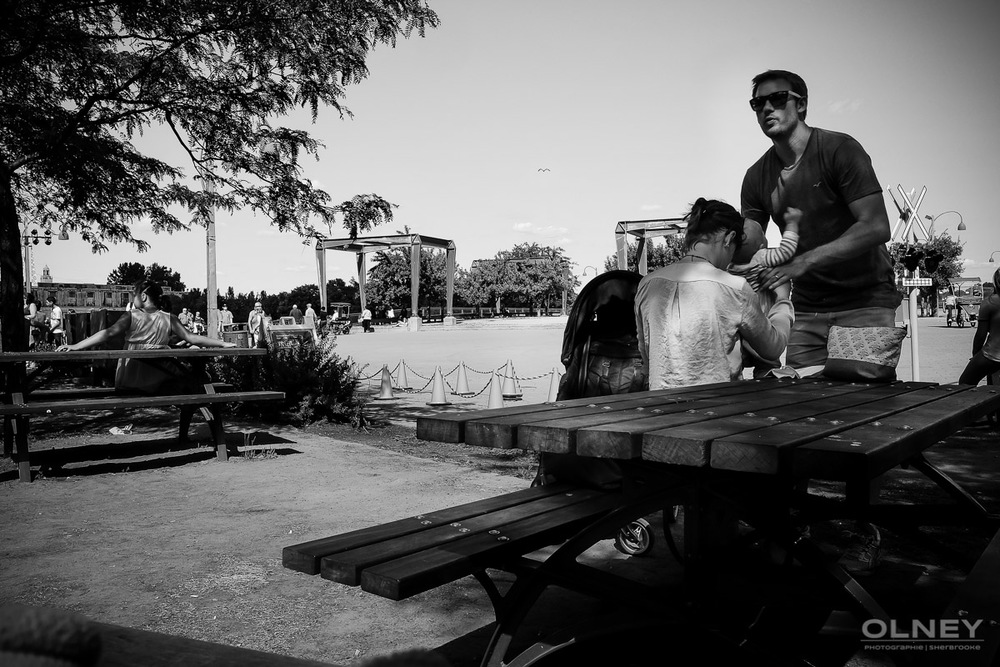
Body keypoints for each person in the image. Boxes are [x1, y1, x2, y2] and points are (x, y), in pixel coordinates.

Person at [741, 69, 900, 375]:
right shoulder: (755, 176)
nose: (766, 108)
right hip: (807, 305)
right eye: (757, 103)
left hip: (865, 301)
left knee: (862, 406)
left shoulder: (839, 149)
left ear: (801, 104)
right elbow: (749, 242)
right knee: (804, 409)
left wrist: (803, 262)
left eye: (777, 98)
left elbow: (877, 226)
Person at [635, 198, 794, 389]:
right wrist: (783, 300)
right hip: (719, 407)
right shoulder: (734, 287)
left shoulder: (647, 284)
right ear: (728, 239)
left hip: (663, 409)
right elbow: (773, 347)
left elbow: (647, 355)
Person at [56, 281, 234, 393]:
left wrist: (76, 346)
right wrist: (222, 344)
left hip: (132, 377)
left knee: (189, 381)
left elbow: (107, 333)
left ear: (142, 296)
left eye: (134, 294)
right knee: (193, 381)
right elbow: (192, 337)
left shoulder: (132, 315)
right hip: (160, 376)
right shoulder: (169, 317)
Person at [729, 210, 800, 376]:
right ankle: (766, 378)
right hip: (763, 319)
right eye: (763, 233)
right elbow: (787, 250)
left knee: (736, 360)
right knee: (767, 363)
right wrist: (792, 224)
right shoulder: (761, 257)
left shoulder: (729, 265)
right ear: (762, 245)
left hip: (740, 323)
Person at [959, 270, 1000, 386]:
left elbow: (980, 336)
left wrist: (975, 356)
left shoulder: (989, 303)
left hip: (993, 354)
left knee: (965, 382)